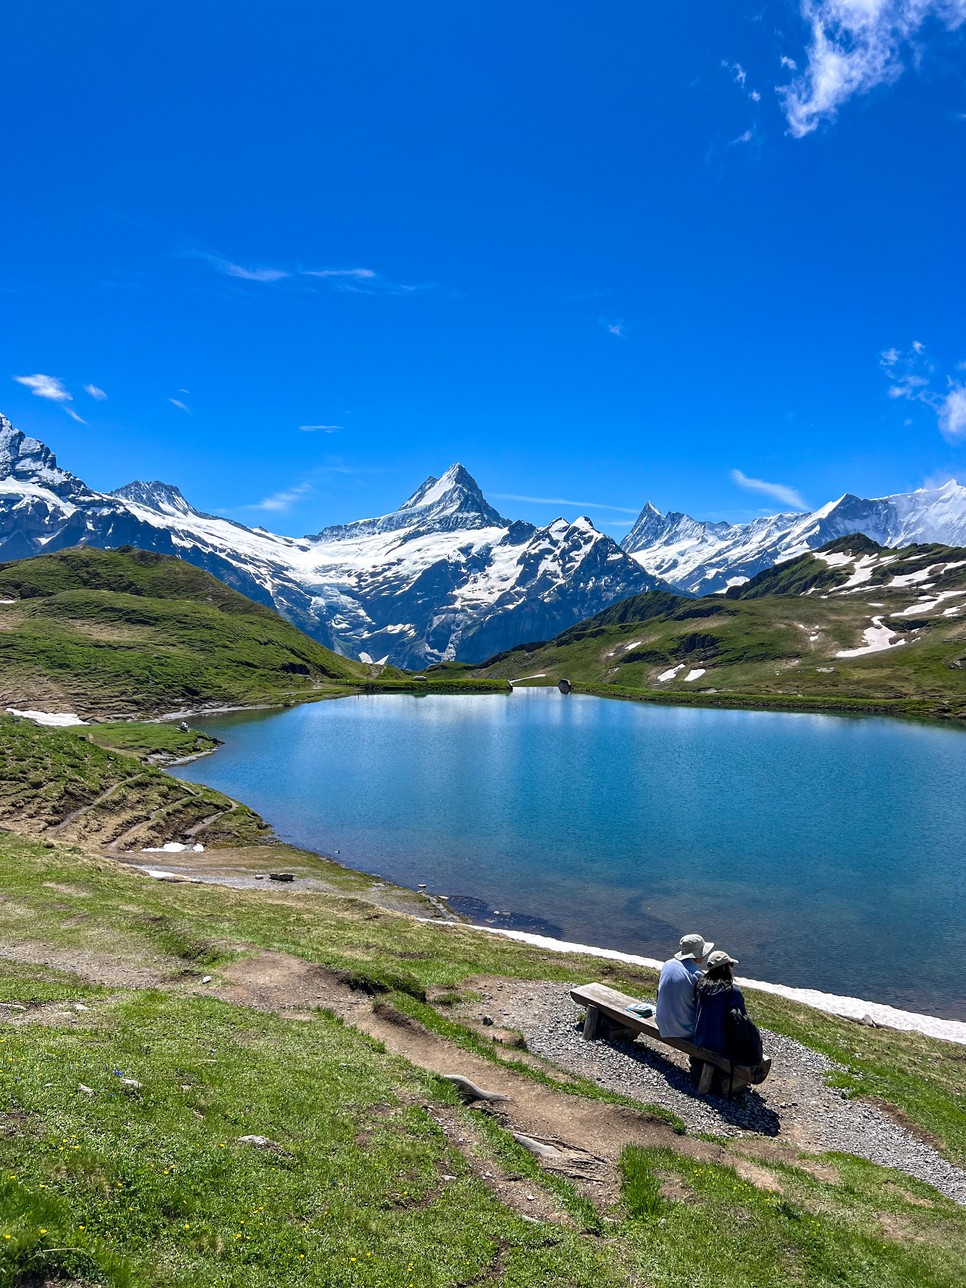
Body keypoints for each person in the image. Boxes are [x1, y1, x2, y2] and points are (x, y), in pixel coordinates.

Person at [655, 932, 713, 1039]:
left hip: (661, 1023)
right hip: (683, 1029)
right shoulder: (697, 975)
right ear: (697, 953)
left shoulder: (667, 964)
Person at [693, 950, 746, 1055]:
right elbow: (743, 1018)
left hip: (699, 1040)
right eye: (730, 964)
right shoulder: (732, 991)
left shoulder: (700, 985)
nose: (731, 967)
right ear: (724, 968)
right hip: (721, 1047)